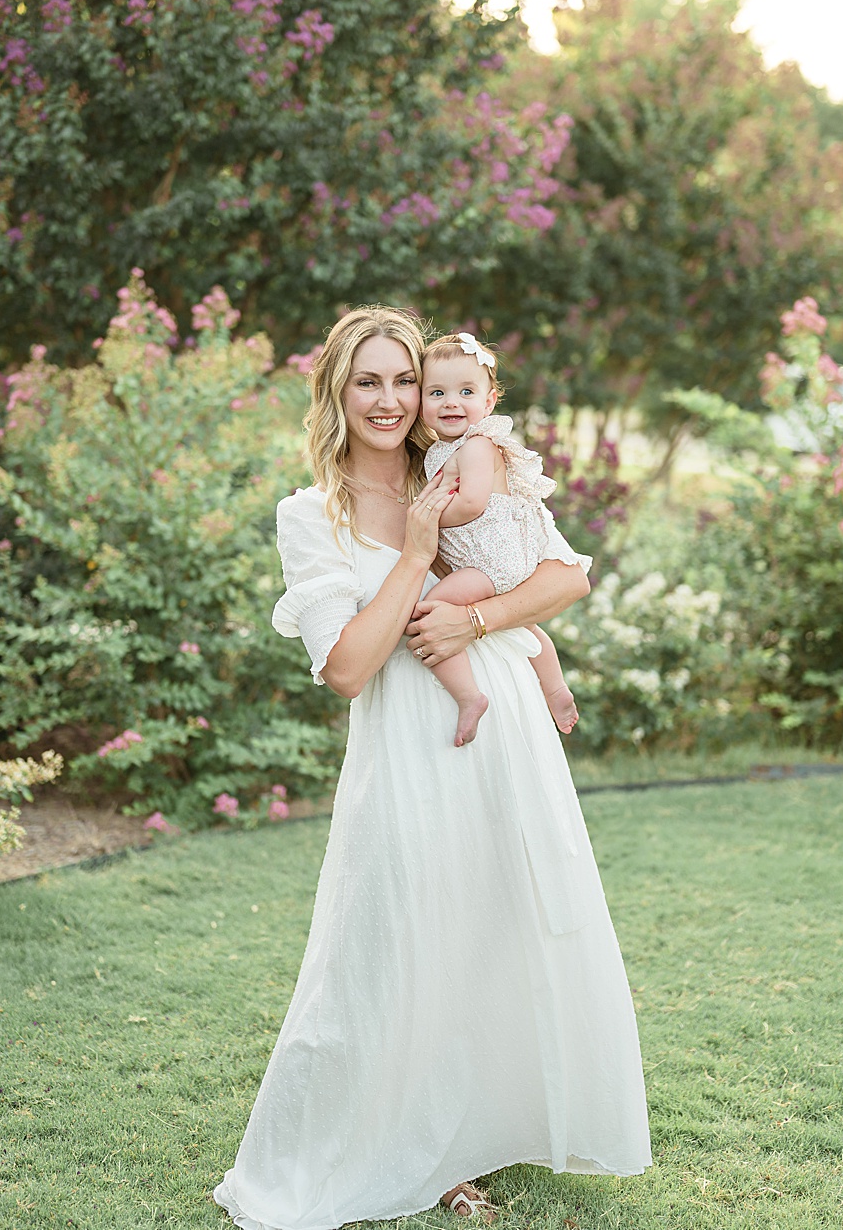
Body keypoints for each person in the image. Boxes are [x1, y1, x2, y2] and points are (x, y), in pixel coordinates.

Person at [212, 307, 650, 1230]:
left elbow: (565, 574)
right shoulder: (310, 514)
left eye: (403, 380)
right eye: (367, 380)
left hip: (505, 729)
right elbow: (345, 667)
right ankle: (384, 1144)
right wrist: (416, 557)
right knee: (393, 944)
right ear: (336, 389)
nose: (389, 399)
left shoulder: (460, 466)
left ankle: (462, 1140)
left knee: (495, 929)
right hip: (408, 747)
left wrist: (475, 620)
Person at [418, 329, 583, 746]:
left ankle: (469, 696)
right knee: (517, 624)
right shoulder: (445, 447)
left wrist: (423, 519)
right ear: (421, 401)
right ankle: (555, 687)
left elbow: (471, 503)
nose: (451, 402)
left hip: (490, 560)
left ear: (488, 402)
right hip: (499, 558)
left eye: (466, 392)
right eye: (436, 392)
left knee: (428, 613)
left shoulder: (475, 445)